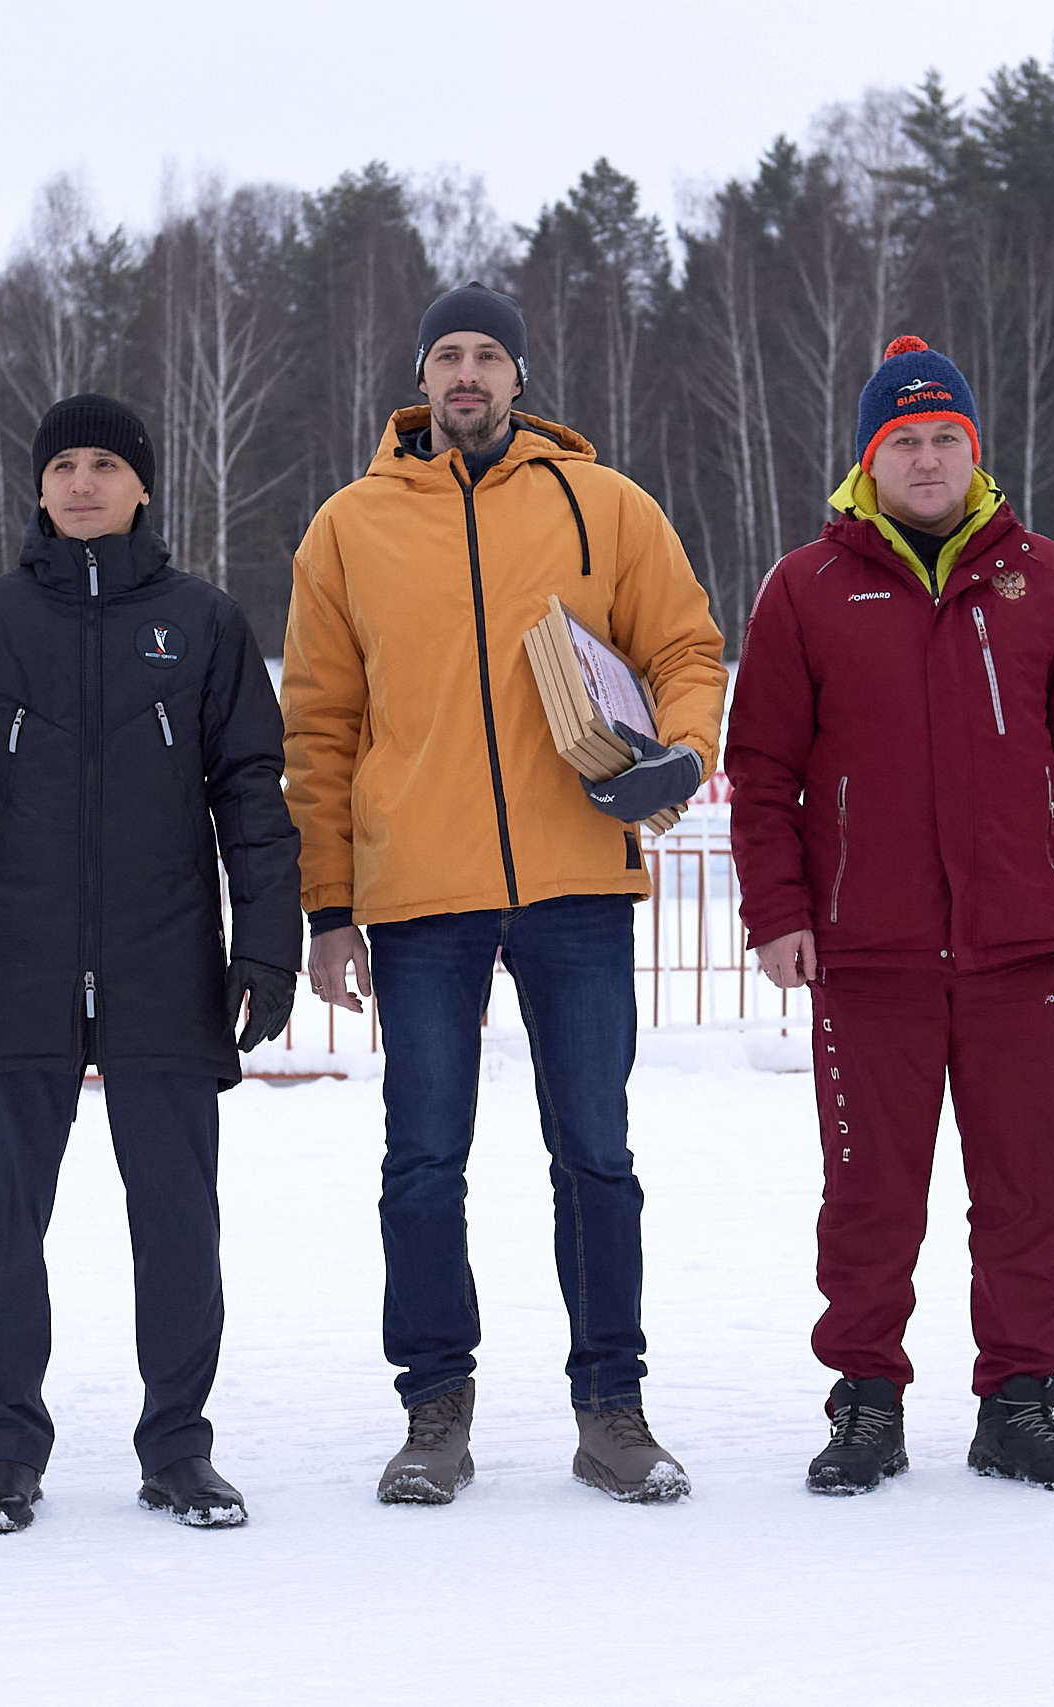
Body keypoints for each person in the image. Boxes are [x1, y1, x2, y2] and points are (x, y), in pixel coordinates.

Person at [283, 283, 726, 1507]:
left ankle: (612, 1410)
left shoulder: (608, 505)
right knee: (422, 1158)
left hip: (577, 876)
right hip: (420, 893)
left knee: (595, 1152)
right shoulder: (347, 528)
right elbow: (318, 727)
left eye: (487, 354)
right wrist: (329, 907)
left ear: (520, 376)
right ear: (419, 381)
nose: (466, 374)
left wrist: (685, 749)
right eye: (446, 356)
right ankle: (434, 1408)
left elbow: (686, 648)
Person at [725, 336, 1054, 1496]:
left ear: (974, 450)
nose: (924, 458)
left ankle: (1018, 1401)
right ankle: (866, 1401)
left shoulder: (1041, 579)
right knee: (868, 1193)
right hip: (868, 953)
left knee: (1031, 1186)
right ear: (868, 460)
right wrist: (777, 912)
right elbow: (760, 769)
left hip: (1017, 949)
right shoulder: (805, 587)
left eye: (943, 438)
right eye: (901, 441)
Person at [0, 394, 299, 1533]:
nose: (82, 483)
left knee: (176, 1220)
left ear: (142, 487)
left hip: (165, 968)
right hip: (13, 969)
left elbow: (253, 802)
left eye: (104, 466)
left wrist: (265, 941)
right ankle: (8, 1450)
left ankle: (177, 1446)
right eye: (62, 465)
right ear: (37, 487)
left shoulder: (204, 623)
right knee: (2, 1224)